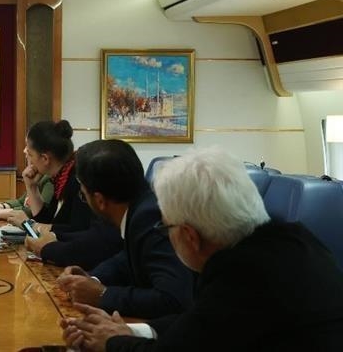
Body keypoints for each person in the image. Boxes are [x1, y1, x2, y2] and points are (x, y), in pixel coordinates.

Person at [60, 148, 343, 352]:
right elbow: (199, 324)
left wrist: (112, 341)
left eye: (165, 228)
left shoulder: (243, 277)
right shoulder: (294, 241)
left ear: (189, 236)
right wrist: (132, 330)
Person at [55, 139, 194, 320]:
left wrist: (102, 295)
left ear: (100, 201)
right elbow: (129, 259)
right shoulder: (142, 205)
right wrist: (92, 279)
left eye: (83, 194)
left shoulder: (148, 217)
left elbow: (172, 300)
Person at [0, 120, 121, 269]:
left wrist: (29, 225)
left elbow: (78, 230)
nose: (25, 153)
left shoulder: (76, 179)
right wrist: (31, 187)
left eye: (30, 153)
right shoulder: (61, 177)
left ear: (45, 159)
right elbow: (47, 220)